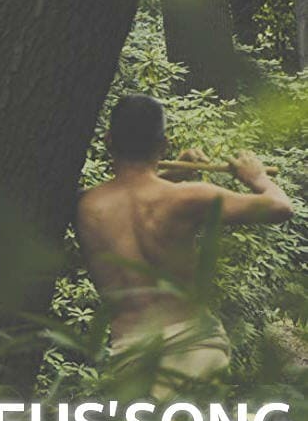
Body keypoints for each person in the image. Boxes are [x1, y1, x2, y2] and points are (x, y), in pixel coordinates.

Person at [76, 95, 293, 398]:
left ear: (108, 140)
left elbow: (129, 195)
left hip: (132, 357)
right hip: (196, 349)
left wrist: (170, 175)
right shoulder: (188, 197)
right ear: (163, 145)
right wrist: (256, 178)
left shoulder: (84, 206)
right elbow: (281, 207)